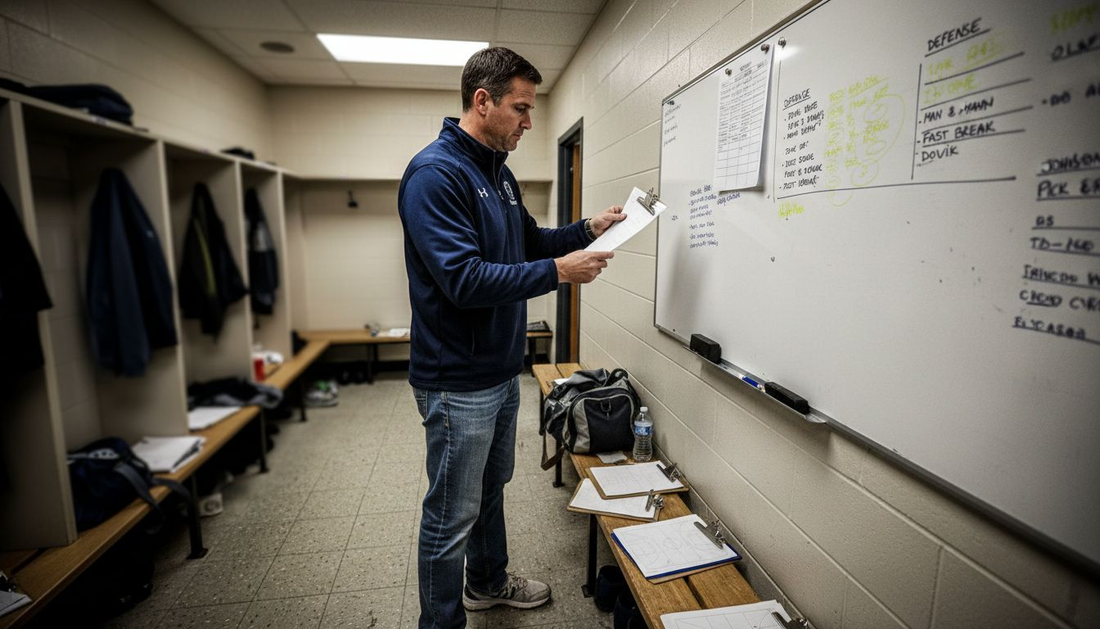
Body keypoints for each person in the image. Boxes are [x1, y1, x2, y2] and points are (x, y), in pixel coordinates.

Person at [397, 47, 626, 629]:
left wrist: (587, 229)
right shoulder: (435, 174)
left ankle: (487, 582)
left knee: (490, 489)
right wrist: (559, 273)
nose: (529, 121)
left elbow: (530, 241)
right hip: (456, 381)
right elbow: (463, 280)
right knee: (451, 514)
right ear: (483, 101)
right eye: (521, 108)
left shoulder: (498, 173)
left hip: (500, 371)